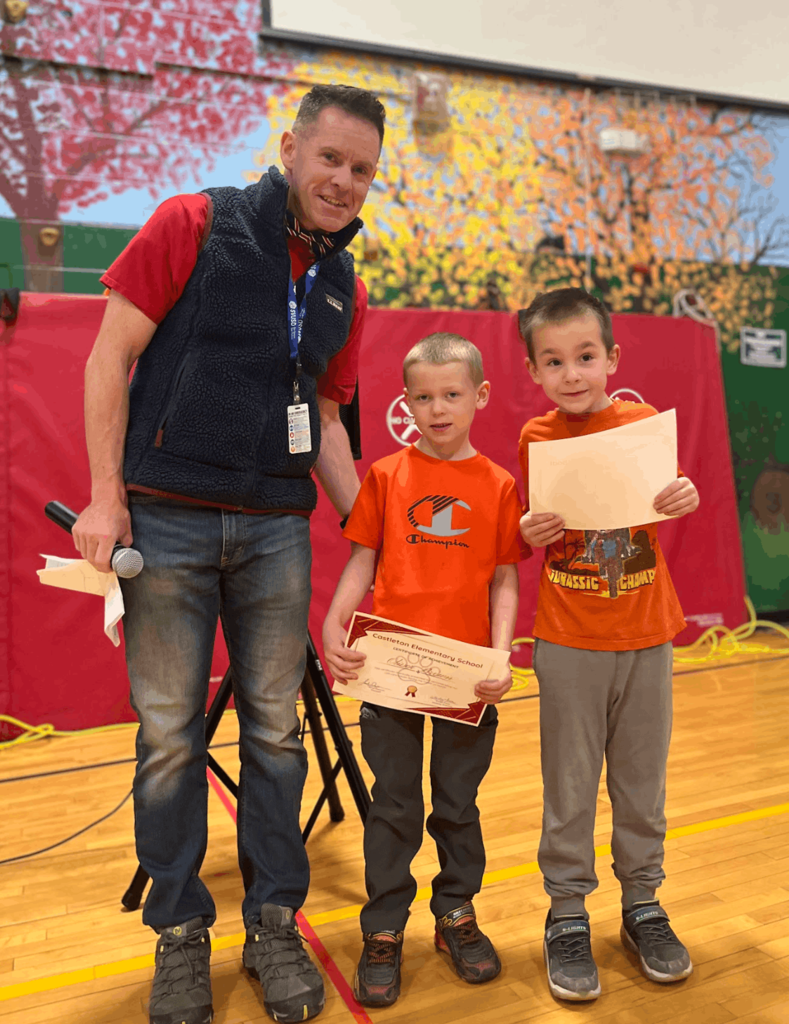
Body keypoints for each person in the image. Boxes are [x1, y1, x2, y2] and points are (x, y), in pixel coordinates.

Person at [71, 84, 386, 1024]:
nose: (342, 181)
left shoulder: (343, 287)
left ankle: (274, 923)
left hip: (275, 530)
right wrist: (103, 495)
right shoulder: (196, 222)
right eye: (329, 158)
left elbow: (327, 423)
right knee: (169, 739)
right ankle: (179, 935)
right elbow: (105, 359)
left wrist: (377, 538)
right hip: (164, 518)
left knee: (277, 735)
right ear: (290, 148)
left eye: (362, 170)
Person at [322, 333, 524, 1008]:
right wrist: (332, 624)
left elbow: (504, 582)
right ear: (406, 402)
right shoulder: (385, 476)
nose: (438, 409)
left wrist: (499, 656)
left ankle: (457, 914)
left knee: (458, 806)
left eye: (452, 395)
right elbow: (362, 563)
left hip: (467, 680)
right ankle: (383, 927)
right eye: (424, 397)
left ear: (479, 397)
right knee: (395, 805)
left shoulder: (498, 486)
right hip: (391, 676)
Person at [517, 288, 700, 1002]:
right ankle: (566, 914)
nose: (572, 373)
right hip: (568, 641)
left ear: (611, 359)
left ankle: (643, 905)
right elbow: (537, 532)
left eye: (585, 357)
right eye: (554, 361)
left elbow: (664, 500)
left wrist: (680, 494)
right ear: (534, 370)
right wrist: (531, 533)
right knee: (569, 787)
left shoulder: (645, 424)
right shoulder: (538, 438)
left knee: (641, 785)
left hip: (649, 636)